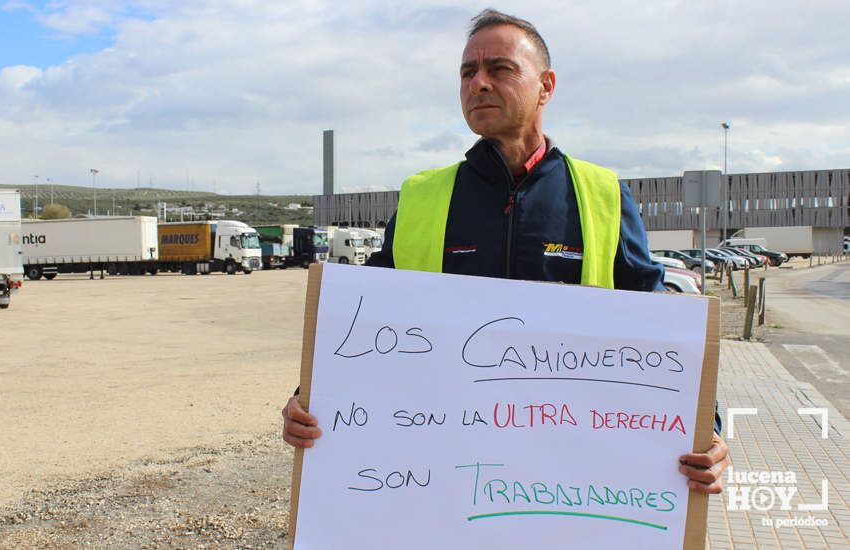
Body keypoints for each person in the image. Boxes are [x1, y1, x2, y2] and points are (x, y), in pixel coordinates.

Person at [283, 9, 728, 494]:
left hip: (568, 479)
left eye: (499, 69)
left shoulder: (601, 194)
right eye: (467, 72)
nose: (479, 83)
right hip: (442, 478)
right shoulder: (421, 196)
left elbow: (659, 323)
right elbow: (364, 321)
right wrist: (308, 396)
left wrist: (709, 427)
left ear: (546, 86)